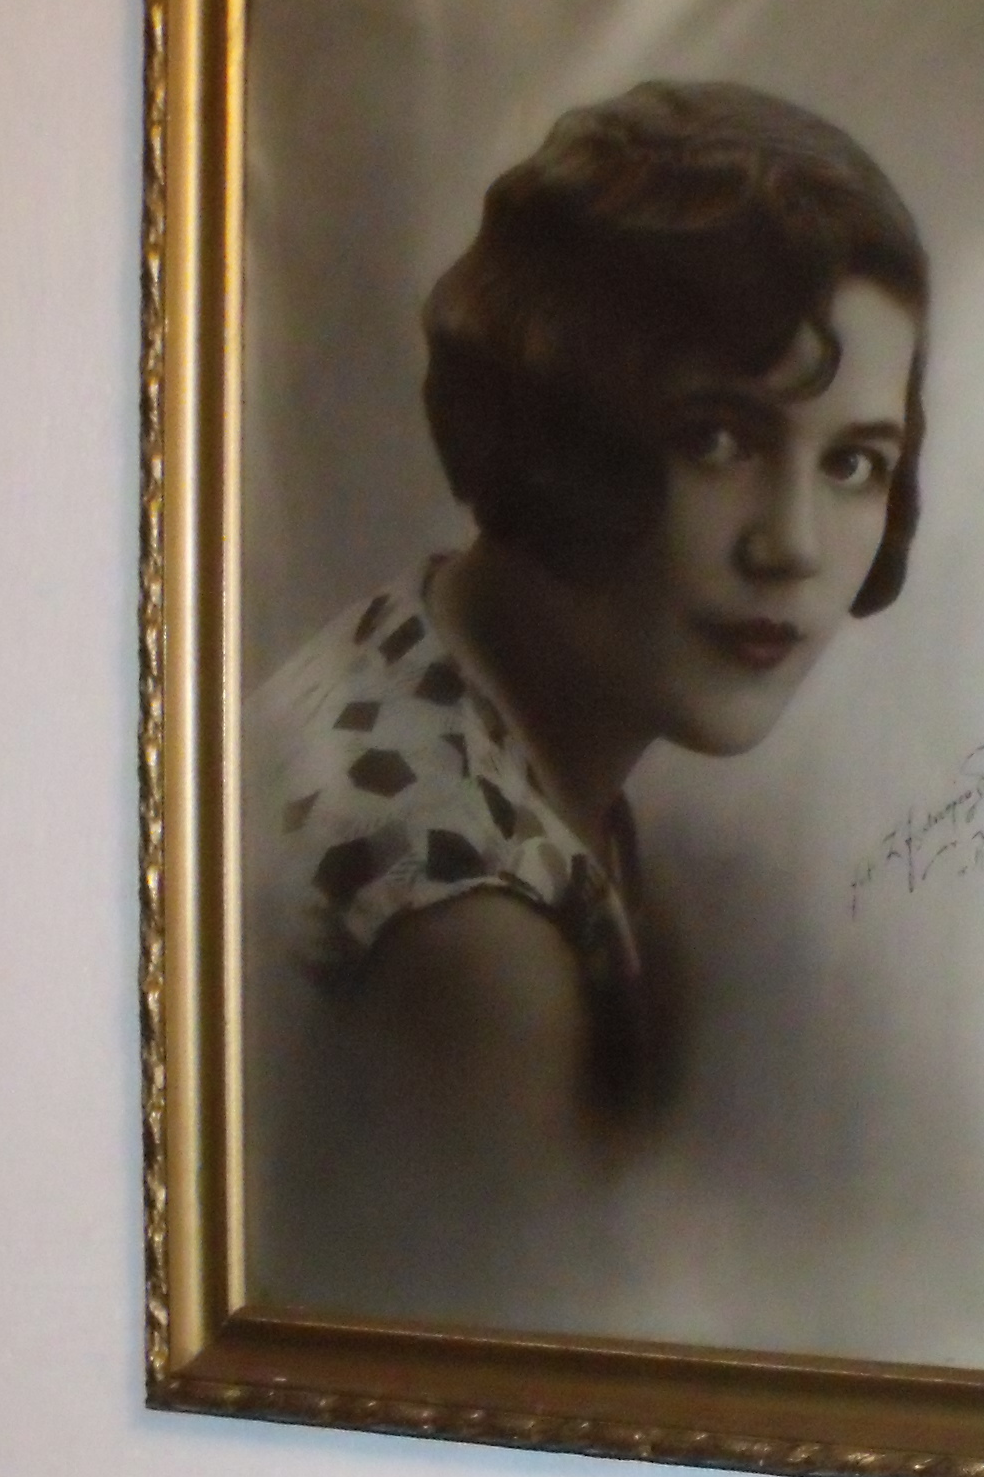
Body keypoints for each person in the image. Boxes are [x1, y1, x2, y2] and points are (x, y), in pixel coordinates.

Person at [244, 81, 929, 1315]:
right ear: (561, 430)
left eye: (853, 462)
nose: (792, 544)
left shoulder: (436, 651)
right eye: (717, 439)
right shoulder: (474, 941)